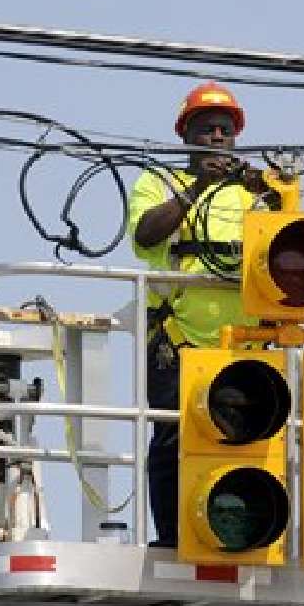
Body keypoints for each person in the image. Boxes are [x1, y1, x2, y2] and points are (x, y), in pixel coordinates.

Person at [127, 82, 270, 547]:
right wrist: (197, 190)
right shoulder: (160, 183)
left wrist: (269, 195)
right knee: (172, 439)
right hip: (179, 338)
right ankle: (172, 538)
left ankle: (240, 533)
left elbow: (291, 246)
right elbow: (147, 237)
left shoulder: (254, 194)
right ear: (184, 135)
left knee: (246, 443)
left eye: (224, 130)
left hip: (243, 342)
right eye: (204, 128)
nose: (215, 137)